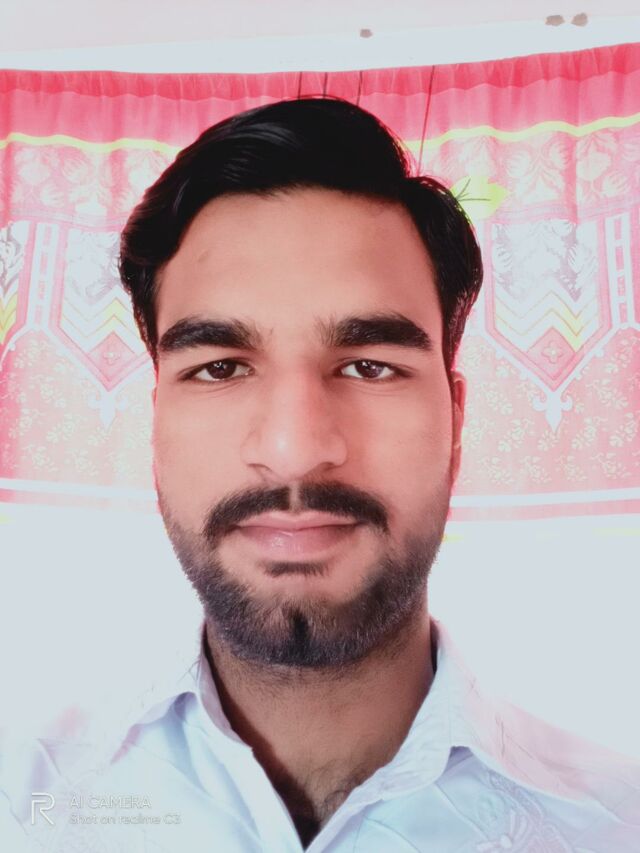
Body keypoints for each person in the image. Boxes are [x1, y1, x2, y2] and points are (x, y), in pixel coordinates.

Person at [2, 96, 639, 852]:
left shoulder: (613, 824)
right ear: (156, 420)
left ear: (456, 420)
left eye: (370, 366)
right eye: (220, 367)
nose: (295, 449)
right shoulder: (26, 805)